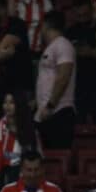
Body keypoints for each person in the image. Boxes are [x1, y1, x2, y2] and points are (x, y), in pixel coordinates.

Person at [34, 11, 76, 149]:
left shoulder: (63, 45)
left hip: (58, 112)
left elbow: (63, 77)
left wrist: (50, 105)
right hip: (47, 113)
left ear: (45, 25)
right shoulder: (51, 47)